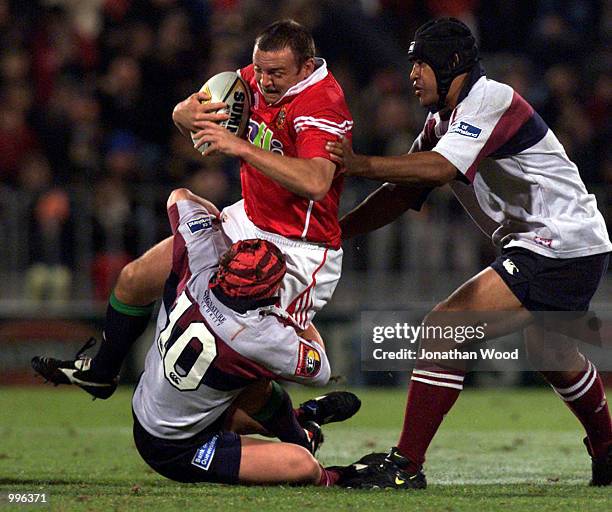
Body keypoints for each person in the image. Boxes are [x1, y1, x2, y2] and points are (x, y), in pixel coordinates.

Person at [326, 18, 612, 488]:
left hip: (558, 243)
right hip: (569, 245)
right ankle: (607, 449)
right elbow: (404, 192)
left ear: (452, 64)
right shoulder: (444, 120)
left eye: (420, 63)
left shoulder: (489, 99)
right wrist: (337, 232)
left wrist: (360, 164)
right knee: (549, 348)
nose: (412, 74)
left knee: (445, 326)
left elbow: (438, 169)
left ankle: (406, 466)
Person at [31, 19, 353, 398]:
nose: (264, 81)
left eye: (276, 73)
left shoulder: (322, 105)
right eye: (261, 70)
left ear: (306, 65)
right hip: (245, 220)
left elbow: (317, 182)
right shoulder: (253, 78)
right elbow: (191, 112)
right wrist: (184, 113)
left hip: (297, 250)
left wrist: (241, 147)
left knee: (227, 359)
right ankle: (102, 372)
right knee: (135, 279)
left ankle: (303, 418)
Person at [35, 188, 361, 486]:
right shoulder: (259, 337)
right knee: (301, 465)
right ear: (267, 294)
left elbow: (180, 196)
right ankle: (332, 470)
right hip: (177, 447)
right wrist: (294, 316)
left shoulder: (201, 263)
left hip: (165, 406)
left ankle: (302, 420)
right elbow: (320, 369)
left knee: (248, 383)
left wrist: (216, 222)